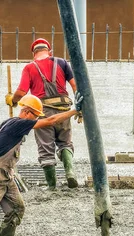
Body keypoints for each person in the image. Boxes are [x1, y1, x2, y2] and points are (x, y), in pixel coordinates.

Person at [0, 93, 82, 236]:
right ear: (28, 112)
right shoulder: (18, 123)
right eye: (36, 116)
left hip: (6, 172)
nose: (36, 120)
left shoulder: (10, 123)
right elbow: (52, 121)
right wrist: (75, 111)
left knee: (17, 208)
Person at [6, 38, 80, 191]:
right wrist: (80, 108)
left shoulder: (30, 67)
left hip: (43, 111)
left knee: (46, 148)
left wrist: (12, 100)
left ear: (34, 54)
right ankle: (70, 173)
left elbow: (21, 92)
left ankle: (52, 186)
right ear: (49, 51)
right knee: (65, 143)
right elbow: (75, 86)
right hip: (64, 109)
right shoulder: (62, 63)